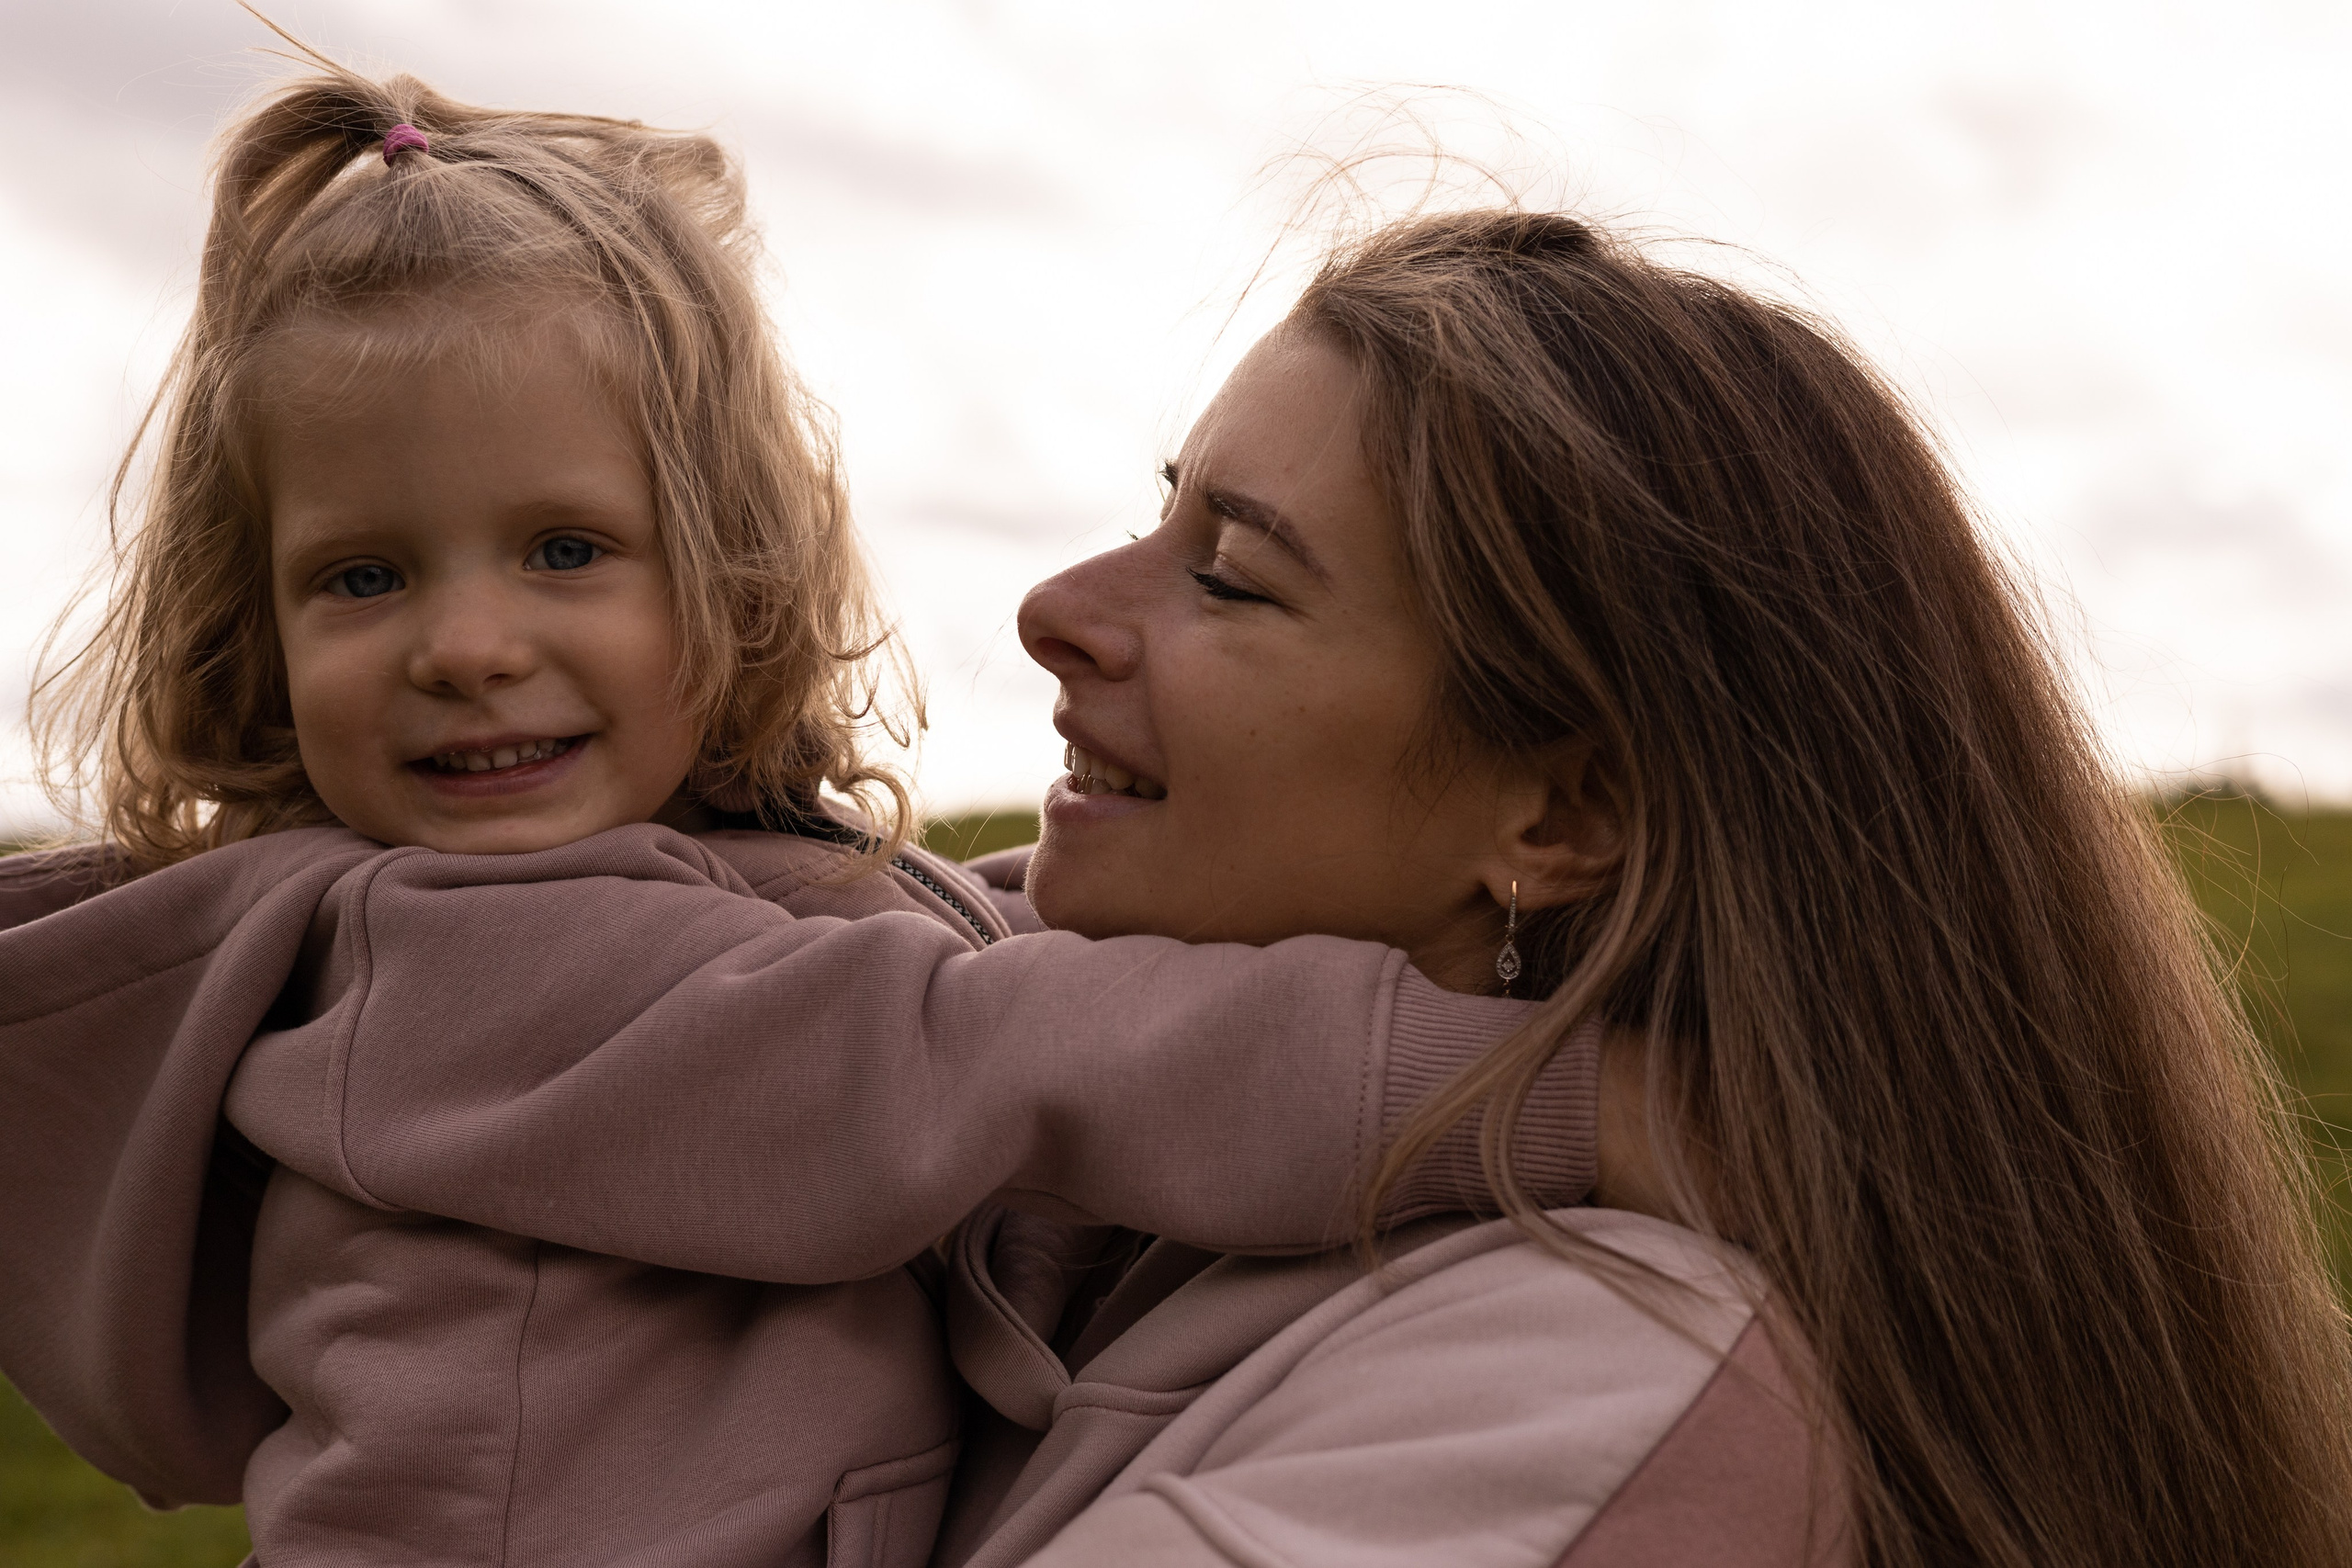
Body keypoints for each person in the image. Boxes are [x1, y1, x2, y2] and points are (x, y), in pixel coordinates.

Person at [210, 209, 2352, 1567]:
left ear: (1555, 815)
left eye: (1228, 574)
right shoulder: (1098, 1135)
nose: (1053, 607)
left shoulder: (1600, 1378)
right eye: (1155, 514)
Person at [0, 53, 1577, 1568]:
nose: (467, 648)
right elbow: (981, 1049)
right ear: (255, 637)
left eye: (564, 550)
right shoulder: (436, 966)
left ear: (729, 569)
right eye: (361, 577)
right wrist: (1578, 1103)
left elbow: (965, 943)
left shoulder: (694, 900)